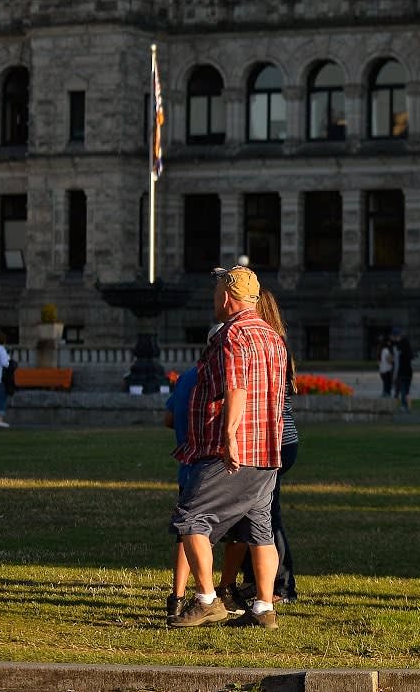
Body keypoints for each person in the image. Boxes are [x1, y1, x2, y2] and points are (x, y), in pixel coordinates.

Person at [167, 265, 289, 630]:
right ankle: (263, 608)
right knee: (260, 529)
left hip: (234, 452)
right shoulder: (273, 336)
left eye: (215, 293)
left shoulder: (233, 334)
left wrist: (229, 436)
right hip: (267, 449)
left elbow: (237, 387)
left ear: (226, 296)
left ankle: (207, 600)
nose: (213, 299)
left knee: (191, 518)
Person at [219, 288, 302, 608]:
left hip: (271, 439)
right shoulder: (277, 344)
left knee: (266, 514)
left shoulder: (260, 343)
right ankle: (256, 579)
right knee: (254, 511)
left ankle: (280, 585)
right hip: (283, 439)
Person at [164, 356, 203, 620]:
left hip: (187, 466)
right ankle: (215, 593)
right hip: (213, 466)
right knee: (235, 533)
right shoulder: (220, 376)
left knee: (186, 532)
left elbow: (168, 418)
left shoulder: (186, 377)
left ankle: (176, 598)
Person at [392, 329, 415, 412]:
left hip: (401, 372)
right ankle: (408, 407)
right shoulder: (407, 346)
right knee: (406, 390)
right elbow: (411, 357)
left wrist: (394, 374)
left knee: (401, 390)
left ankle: (403, 406)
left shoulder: (398, 347)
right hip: (408, 371)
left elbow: (397, 362)